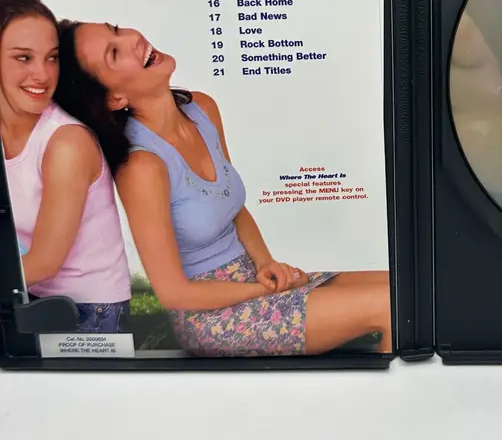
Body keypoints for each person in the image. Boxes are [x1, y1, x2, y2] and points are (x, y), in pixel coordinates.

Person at [54, 19, 392, 357]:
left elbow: (232, 206)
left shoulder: (201, 108)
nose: (131, 37)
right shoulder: (142, 166)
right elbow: (174, 293)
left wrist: (266, 264)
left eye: (116, 29)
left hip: (253, 279)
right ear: (115, 98)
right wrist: (261, 291)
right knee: (388, 306)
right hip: (212, 317)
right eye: (114, 52)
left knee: (403, 289)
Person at [0, 0, 131, 332]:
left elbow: (45, 263)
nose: (43, 74)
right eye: (24, 57)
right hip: (30, 296)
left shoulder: (66, 142)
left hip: (91, 312)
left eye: (52, 58)